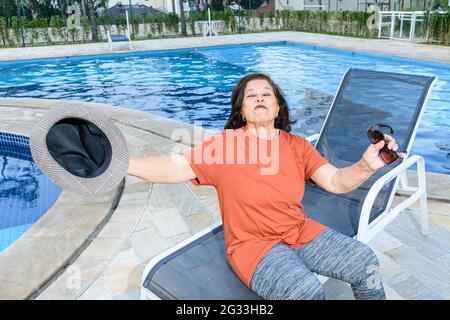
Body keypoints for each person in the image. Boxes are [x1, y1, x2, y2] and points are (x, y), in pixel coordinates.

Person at [128, 73, 402, 300]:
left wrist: (367, 166)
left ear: (278, 106)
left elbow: (336, 181)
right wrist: (122, 164)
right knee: (307, 293)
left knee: (365, 261)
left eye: (267, 93)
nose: (259, 97)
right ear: (242, 111)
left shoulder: (297, 146)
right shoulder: (225, 145)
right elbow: (175, 166)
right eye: (251, 95)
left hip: (299, 230)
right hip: (253, 246)